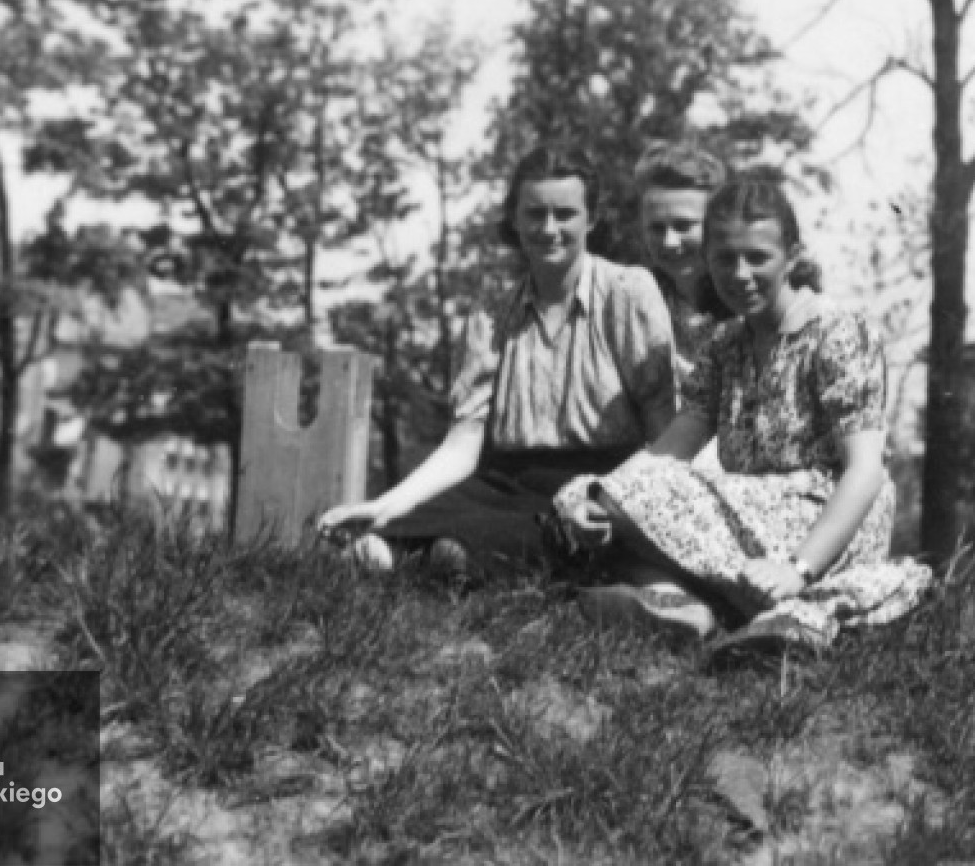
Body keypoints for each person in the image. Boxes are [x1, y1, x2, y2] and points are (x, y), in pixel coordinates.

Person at [555, 172, 933, 658]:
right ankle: (681, 605)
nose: (740, 274)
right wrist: (594, 498)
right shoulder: (727, 345)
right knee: (599, 506)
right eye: (725, 258)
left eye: (757, 258)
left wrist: (797, 569)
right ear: (708, 261)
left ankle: (757, 599)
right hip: (753, 515)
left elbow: (865, 473)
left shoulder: (836, 333)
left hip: (827, 525)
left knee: (631, 504)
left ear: (793, 256)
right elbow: (672, 450)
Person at [317, 145, 678, 576]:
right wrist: (385, 505)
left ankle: (443, 564)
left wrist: (627, 505)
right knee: (365, 539)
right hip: (502, 483)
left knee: (458, 551)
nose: (549, 229)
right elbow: (463, 442)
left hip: (598, 484)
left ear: (591, 219)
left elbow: (664, 431)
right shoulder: (491, 308)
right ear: (514, 218)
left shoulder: (628, 291)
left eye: (565, 214)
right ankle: (405, 554)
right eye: (534, 214)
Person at [631, 142, 735, 371]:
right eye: (657, 228)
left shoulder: (744, 301)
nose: (670, 241)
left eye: (684, 225)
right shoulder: (633, 303)